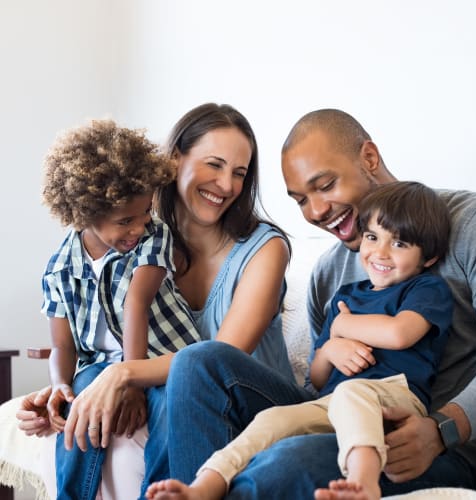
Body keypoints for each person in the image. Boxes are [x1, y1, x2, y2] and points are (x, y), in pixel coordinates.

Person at [161, 109, 476, 498]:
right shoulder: (329, 273)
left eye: (325, 185)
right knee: (199, 361)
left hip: (426, 443)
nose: (316, 212)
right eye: (301, 200)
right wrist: (330, 348)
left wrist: (443, 429)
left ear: (369, 159)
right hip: (336, 413)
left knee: (285, 462)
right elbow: (319, 385)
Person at [16, 103, 294, 499]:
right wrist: (65, 389)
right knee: (92, 392)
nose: (227, 185)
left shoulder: (264, 249)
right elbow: (93, 331)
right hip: (176, 387)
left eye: (239, 173)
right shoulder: (136, 237)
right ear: (175, 158)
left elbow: (220, 359)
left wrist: (124, 374)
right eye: (214, 164)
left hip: (252, 401)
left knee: (192, 370)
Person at [145, 181, 453, 500]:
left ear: (428, 258)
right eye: (373, 237)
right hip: (331, 402)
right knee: (272, 419)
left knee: (352, 391)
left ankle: (364, 482)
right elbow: (318, 378)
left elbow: (399, 333)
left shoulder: (425, 289)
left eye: (400, 244)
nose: (380, 253)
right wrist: (332, 346)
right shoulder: (346, 297)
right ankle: (204, 486)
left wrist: (344, 326)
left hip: (395, 398)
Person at [40, 118, 201, 499]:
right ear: (84, 214)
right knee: (81, 402)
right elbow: (63, 346)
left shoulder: (152, 235)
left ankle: (161, 493)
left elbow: (136, 303)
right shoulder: (59, 268)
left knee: (168, 409)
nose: (139, 226)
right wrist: (59, 385)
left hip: (164, 358)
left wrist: (130, 380)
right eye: (125, 220)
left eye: (145, 212)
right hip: (98, 365)